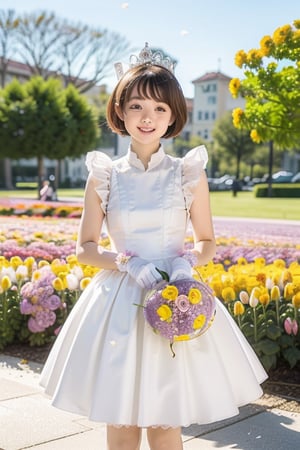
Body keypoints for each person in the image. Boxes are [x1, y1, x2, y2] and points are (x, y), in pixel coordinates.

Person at [40, 43, 267, 450]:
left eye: (161, 108)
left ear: (174, 115)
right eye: (137, 106)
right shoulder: (104, 174)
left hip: (176, 295)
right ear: (120, 110)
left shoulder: (188, 173)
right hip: (119, 303)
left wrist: (186, 265)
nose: (148, 118)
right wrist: (127, 262)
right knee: (122, 423)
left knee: (166, 423)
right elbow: (86, 249)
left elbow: (207, 240)